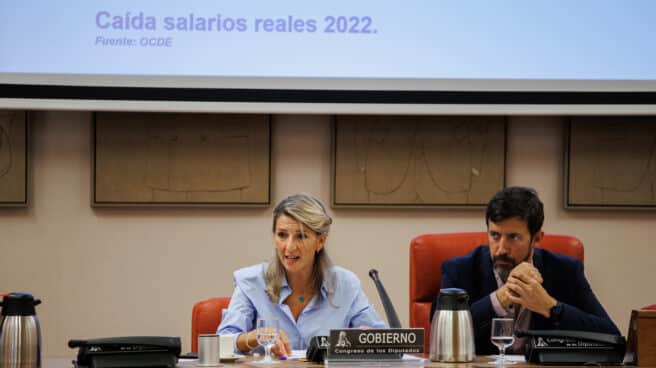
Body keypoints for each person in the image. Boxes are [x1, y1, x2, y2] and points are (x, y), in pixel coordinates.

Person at [441, 186, 619, 355]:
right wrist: (498, 299)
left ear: (537, 238)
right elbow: (441, 337)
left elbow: (612, 337)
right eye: (495, 235)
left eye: (513, 237)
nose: (501, 249)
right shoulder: (459, 270)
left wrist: (550, 307)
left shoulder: (565, 271)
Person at [218, 193, 385, 357]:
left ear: (320, 241)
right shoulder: (251, 282)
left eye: (301, 236)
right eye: (282, 235)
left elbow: (383, 339)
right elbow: (221, 343)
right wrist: (254, 337)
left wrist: (365, 337)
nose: (289, 247)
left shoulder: (345, 284)